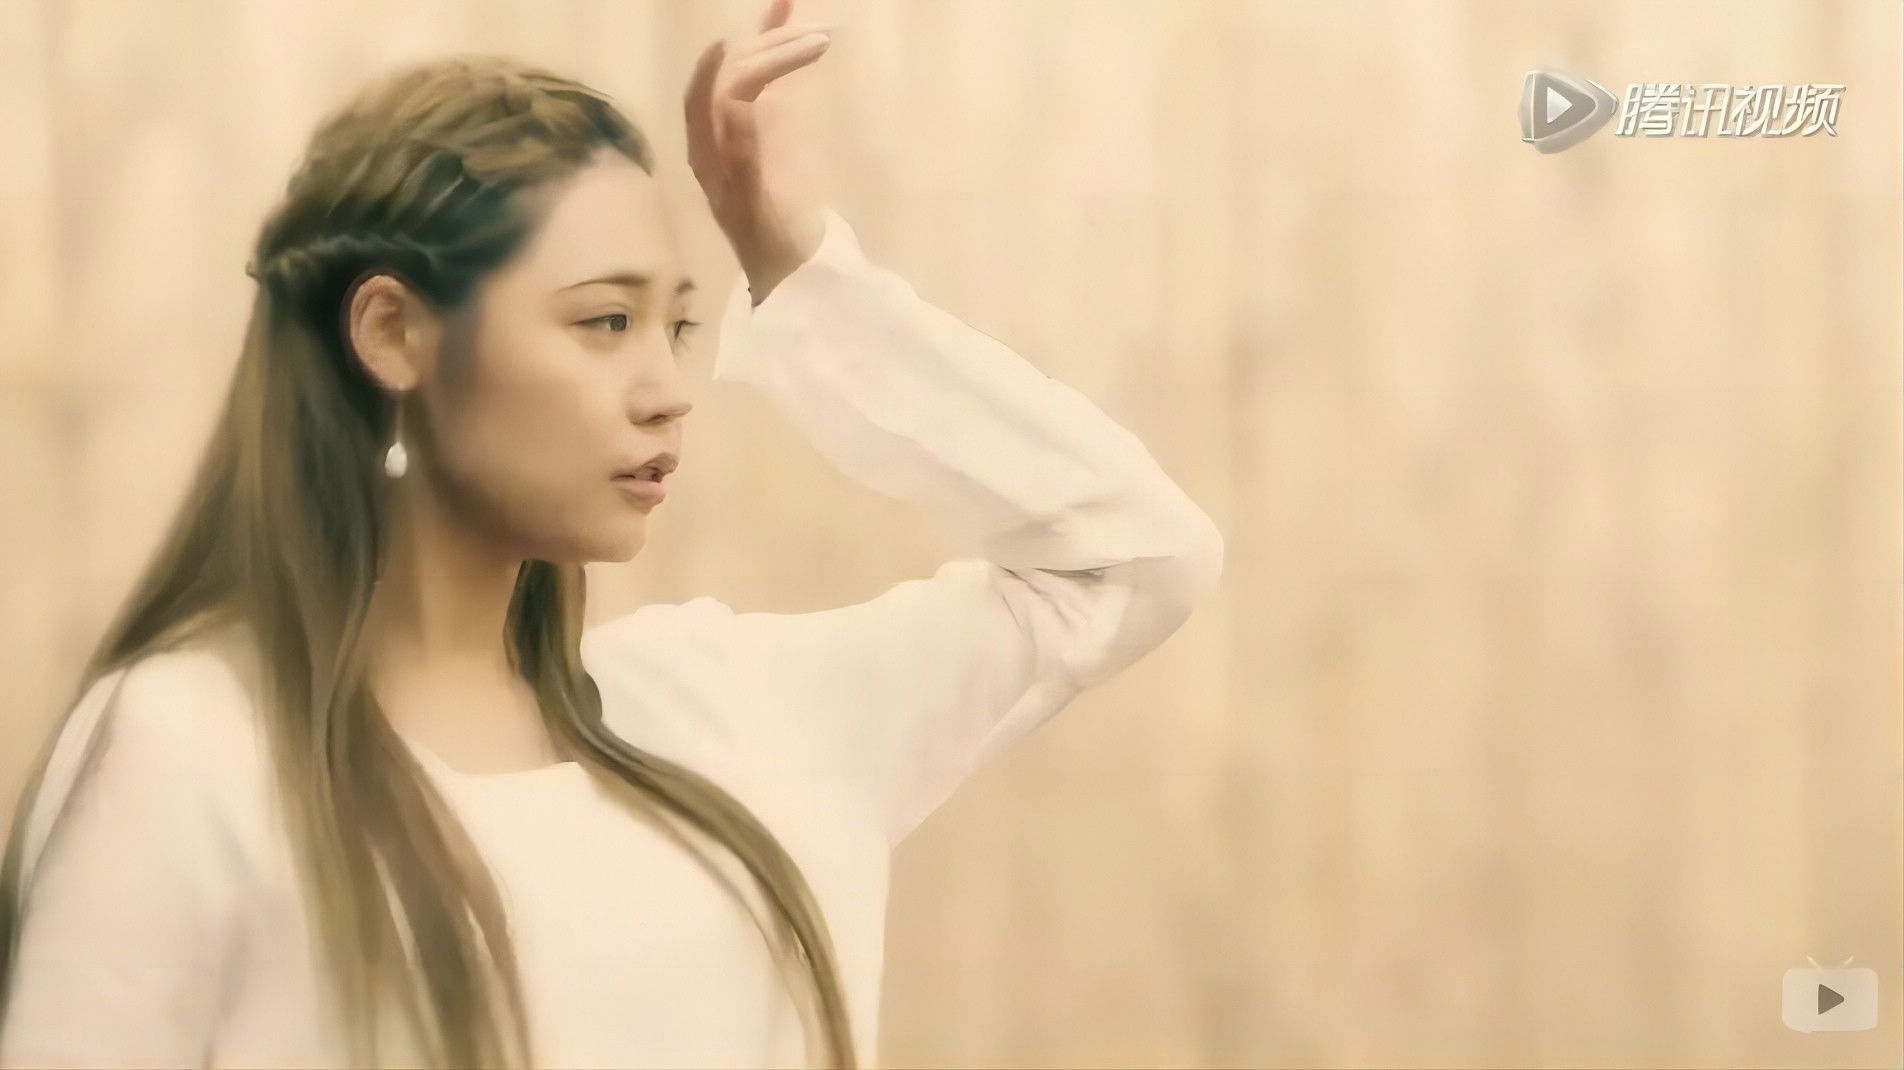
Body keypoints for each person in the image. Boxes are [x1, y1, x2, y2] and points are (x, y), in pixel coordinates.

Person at [0, 4, 1223, 1069]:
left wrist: (799, 265)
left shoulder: (749, 711)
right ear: (392, 333)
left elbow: (1134, 556)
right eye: (602, 322)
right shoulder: (193, 745)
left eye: (676, 326)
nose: (667, 390)